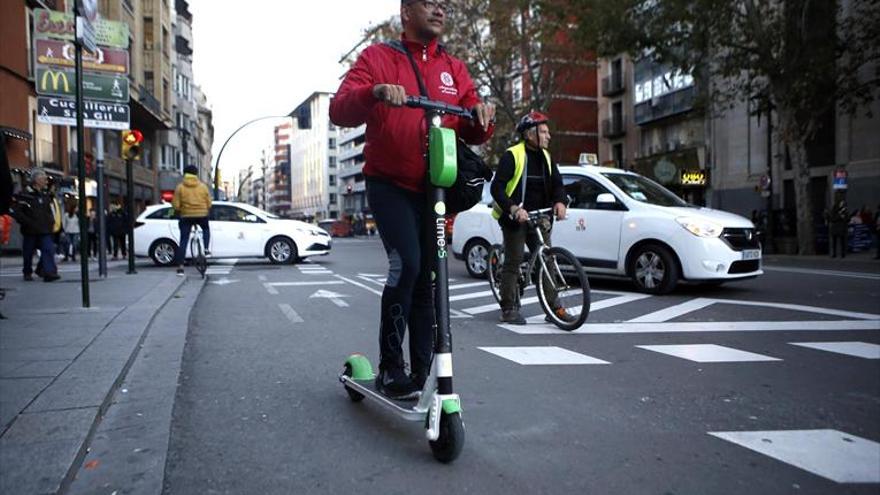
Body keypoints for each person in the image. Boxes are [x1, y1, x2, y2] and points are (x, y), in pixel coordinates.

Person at [329, 0, 495, 400]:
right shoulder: (378, 57)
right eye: (430, 3)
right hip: (389, 184)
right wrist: (376, 92)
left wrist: (481, 115)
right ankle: (390, 368)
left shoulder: (454, 68)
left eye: (445, 5)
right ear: (406, 11)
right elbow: (339, 108)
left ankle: (420, 371)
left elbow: (472, 129)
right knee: (408, 265)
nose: (440, 10)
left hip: (434, 188)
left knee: (430, 280)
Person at [490, 111, 567, 324]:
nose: (548, 136)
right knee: (514, 261)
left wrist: (561, 202)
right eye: (543, 132)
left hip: (539, 216)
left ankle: (554, 309)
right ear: (530, 134)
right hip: (515, 217)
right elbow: (497, 188)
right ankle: (508, 308)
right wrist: (514, 209)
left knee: (547, 260)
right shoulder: (512, 155)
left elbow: (558, 185)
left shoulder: (547, 157)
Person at [9, 168, 60, 282]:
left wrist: (51, 222)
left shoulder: (45, 195)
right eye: (44, 179)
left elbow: (49, 210)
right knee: (28, 252)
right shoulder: (25, 195)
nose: (46, 181)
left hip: (45, 229)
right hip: (30, 230)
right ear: (36, 180)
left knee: (48, 249)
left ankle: (49, 272)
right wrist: (26, 222)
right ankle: (27, 271)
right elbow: (16, 211)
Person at [171, 165, 212, 276]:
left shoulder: (180, 187)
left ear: (185, 174)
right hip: (201, 215)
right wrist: (205, 208)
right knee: (206, 228)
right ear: (196, 174)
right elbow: (209, 202)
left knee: (183, 240)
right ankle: (207, 249)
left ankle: (180, 268)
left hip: (186, 216)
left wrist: (180, 210)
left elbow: (176, 205)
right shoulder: (203, 187)